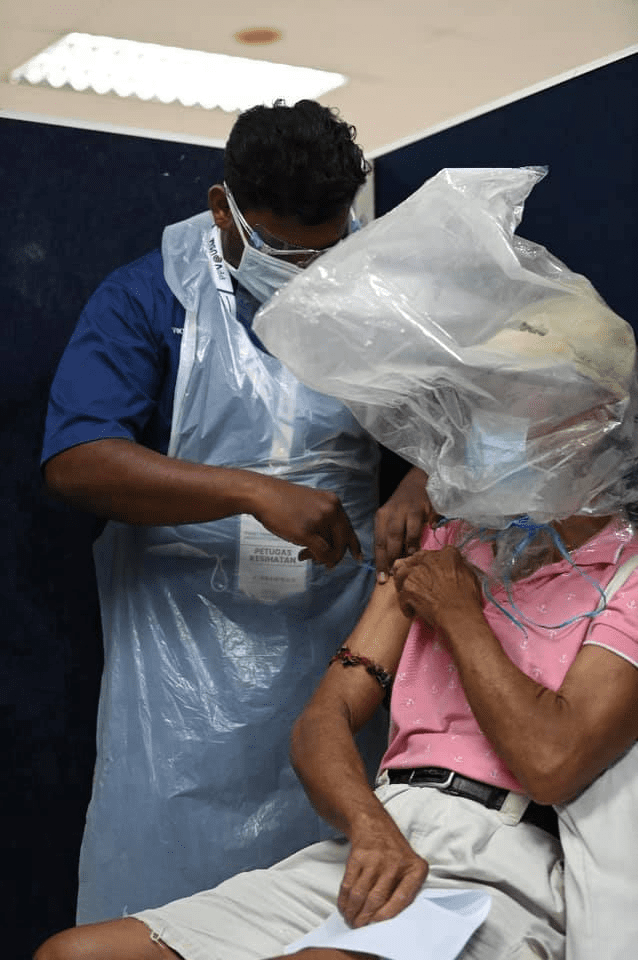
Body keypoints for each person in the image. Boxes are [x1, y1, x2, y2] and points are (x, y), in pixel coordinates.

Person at [40, 98, 430, 922]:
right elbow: (76, 462)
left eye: (326, 250)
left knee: (322, 896)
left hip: (335, 642)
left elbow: (458, 416)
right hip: (178, 669)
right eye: (285, 250)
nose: (308, 271)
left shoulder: (375, 290)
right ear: (223, 209)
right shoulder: (149, 299)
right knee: (161, 900)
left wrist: (417, 483)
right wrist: (251, 491)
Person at [35, 498, 638, 960]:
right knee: (73, 954)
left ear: (593, 434)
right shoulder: (454, 542)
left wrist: (459, 612)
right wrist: (369, 825)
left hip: (501, 863)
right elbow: (323, 721)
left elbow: (551, 762)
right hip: (383, 833)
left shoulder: (626, 573)